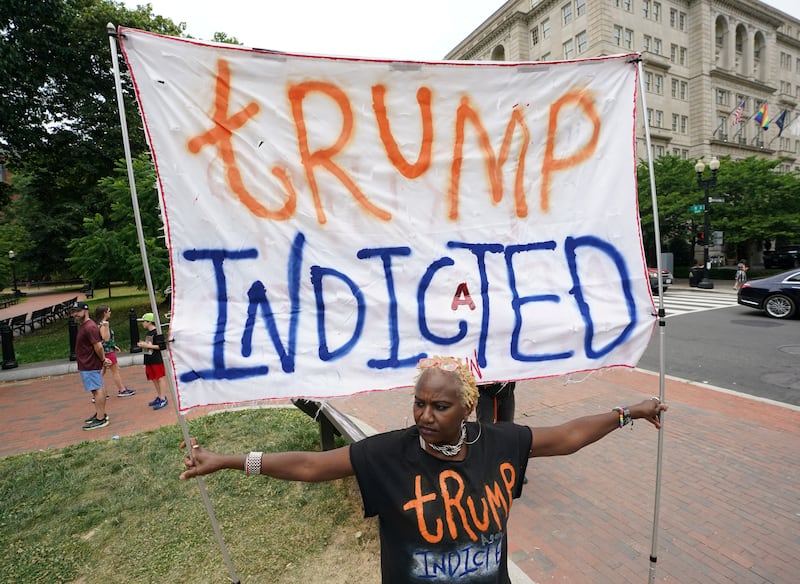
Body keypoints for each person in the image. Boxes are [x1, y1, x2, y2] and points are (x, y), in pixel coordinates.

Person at [180, 356, 667, 583]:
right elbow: (311, 465)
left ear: (467, 410)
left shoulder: (498, 443)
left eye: (439, 406)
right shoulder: (387, 454)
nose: (424, 416)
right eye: (418, 403)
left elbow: (567, 437)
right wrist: (227, 461)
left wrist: (627, 413)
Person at [72, 301, 112, 430]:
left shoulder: (89, 327)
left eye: (77, 311)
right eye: (73, 312)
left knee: (97, 389)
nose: (75, 314)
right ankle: (100, 414)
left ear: (86, 310)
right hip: (87, 364)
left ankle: (101, 418)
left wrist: (103, 360)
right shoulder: (86, 325)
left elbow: (98, 346)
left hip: (90, 364)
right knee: (95, 390)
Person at [93, 305, 135, 398]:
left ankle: (98, 392)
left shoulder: (97, 324)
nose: (110, 312)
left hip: (103, 351)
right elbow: (106, 338)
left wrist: (113, 345)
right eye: (109, 311)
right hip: (107, 352)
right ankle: (122, 389)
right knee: (115, 371)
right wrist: (107, 327)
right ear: (104, 313)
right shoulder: (104, 324)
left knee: (102, 372)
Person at [136, 312, 168, 410]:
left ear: (150, 322)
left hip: (157, 359)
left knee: (159, 378)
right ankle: (159, 396)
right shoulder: (149, 333)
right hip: (149, 359)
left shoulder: (157, 332)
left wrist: (147, 346)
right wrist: (144, 345)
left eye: (144, 321)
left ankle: (163, 398)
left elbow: (162, 346)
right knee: (153, 378)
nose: (142, 323)